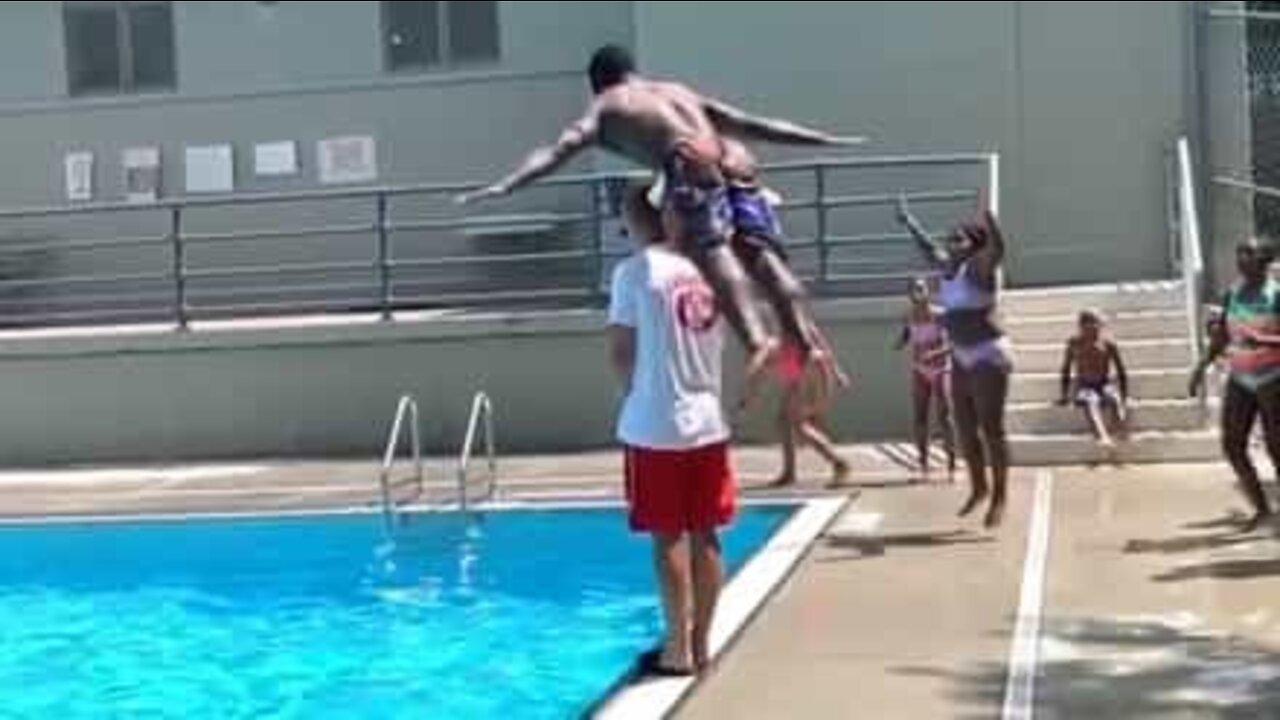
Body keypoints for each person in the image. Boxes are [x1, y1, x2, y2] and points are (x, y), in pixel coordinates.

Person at [458, 44, 860, 397]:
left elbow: (558, 150)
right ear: (633, 70)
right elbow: (751, 123)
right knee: (761, 257)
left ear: (597, 82)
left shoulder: (607, 104)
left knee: (712, 253)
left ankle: (757, 341)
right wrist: (819, 139)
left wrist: (508, 185)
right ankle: (802, 341)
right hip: (733, 161)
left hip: (690, 164)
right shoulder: (677, 91)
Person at [607, 185, 736, 675]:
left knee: (668, 538)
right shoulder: (710, 269)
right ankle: (702, 642)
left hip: (655, 422)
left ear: (635, 218)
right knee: (706, 533)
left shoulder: (635, 272)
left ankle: (676, 649)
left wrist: (631, 397)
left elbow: (621, 352)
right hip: (708, 420)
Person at [897, 197, 1011, 529]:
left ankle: (1000, 496)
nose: (951, 243)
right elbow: (926, 248)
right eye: (950, 238)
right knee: (964, 428)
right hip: (960, 355)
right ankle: (979, 488)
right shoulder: (948, 269)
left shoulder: (980, 268)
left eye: (958, 238)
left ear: (973, 245)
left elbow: (998, 249)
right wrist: (909, 223)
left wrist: (989, 219)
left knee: (992, 430)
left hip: (988, 353)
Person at [1190, 238, 1280, 532]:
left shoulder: (1276, 293)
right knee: (1232, 445)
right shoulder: (1233, 293)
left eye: (1248, 254)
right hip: (1241, 377)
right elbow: (1223, 336)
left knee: (1276, 447)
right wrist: (1202, 365)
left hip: (1272, 377)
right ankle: (1262, 509)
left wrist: (1263, 341)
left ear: (1264, 259)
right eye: (1238, 253)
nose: (1240, 259)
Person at [896, 277, 956, 482]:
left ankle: (951, 464)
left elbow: (952, 344)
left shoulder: (940, 315)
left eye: (921, 288)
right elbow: (905, 335)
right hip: (919, 370)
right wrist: (901, 343)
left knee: (944, 417)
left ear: (928, 291)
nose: (918, 292)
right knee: (920, 417)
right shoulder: (907, 316)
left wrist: (935, 353)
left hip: (940, 369)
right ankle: (923, 463)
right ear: (909, 294)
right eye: (914, 289)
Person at [1057, 309, 1130, 455]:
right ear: (1082, 326)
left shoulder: (1109, 344)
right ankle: (1102, 436)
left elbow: (1121, 371)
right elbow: (1066, 369)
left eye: (1097, 325)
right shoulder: (1074, 343)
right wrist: (1064, 395)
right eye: (1089, 326)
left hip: (1104, 383)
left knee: (1114, 398)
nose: (1094, 329)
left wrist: (1124, 395)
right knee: (1091, 400)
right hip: (1084, 385)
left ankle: (1119, 431)